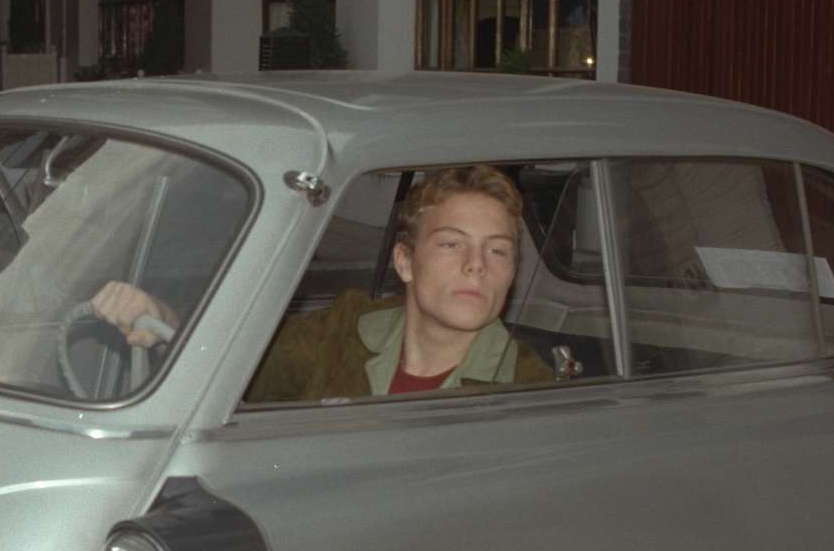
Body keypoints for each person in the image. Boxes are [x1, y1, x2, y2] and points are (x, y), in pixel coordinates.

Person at [91, 163, 552, 401]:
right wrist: (163, 319)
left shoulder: (529, 388)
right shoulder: (344, 327)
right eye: (452, 244)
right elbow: (238, 361)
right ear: (405, 261)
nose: (477, 266)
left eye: (497, 250)